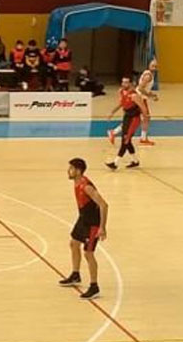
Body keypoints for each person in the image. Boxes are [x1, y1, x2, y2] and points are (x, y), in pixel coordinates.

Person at [59, 158, 108, 301]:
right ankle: (75, 274)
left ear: (78, 171)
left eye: (71, 169)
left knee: (88, 253)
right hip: (83, 219)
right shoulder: (77, 183)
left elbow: (104, 205)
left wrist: (102, 228)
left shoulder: (86, 186)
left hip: (93, 223)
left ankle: (94, 286)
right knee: (74, 244)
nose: (69, 171)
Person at [106, 77, 145, 169]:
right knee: (127, 141)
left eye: (126, 82)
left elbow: (143, 107)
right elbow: (121, 104)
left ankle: (115, 163)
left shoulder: (134, 95)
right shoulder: (122, 92)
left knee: (125, 140)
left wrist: (145, 118)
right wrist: (112, 112)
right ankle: (135, 161)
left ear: (131, 84)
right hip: (127, 117)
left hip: (134, 119)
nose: (124, 84)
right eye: (123, 82)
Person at [136, 59, 159, 145]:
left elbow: (145, 89)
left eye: (156, 66)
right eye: (153, 66)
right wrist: (149, 96)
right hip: (140, 98)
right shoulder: (148, 76)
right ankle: (143, 138)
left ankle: (143, 137)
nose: (154, 68)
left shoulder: (149, 74)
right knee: (146, 117)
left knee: (136, 118)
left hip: (141, 97)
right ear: (149, 65)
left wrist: (152, 95)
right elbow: (141, 88)